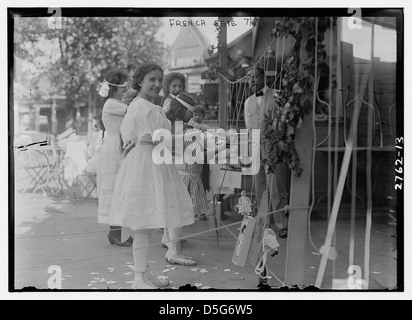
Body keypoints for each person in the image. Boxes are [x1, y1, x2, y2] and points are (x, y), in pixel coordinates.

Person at [109, 63, 197, 289]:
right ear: (140, 82)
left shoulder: (152, 106)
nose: (157, 84)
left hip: (156, 162)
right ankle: (138, 278)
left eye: (160, 80)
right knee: (142, 224)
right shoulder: (140, 107)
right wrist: (188, 139)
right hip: (145, 166)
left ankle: (146, 273)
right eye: (152, 80)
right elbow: (151, 138)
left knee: (147, 226)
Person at [162, 93, 210, 261]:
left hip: (176, 171)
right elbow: (200, 156)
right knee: (179, 212)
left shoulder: (173, 126)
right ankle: (174, 251)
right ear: (183, 110)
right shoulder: (186, 131)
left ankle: (170, 242)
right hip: (185, 175)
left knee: (175, 210)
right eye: (191, 112)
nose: (193, 116)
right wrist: (222, 148)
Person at [244, 66, 290, 239]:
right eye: (249, 79)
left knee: (276, 185)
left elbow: (282, 123)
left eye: (255, 77)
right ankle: (265, 222)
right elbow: (249, 127)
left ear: (264, 77)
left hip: (272, 145)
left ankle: (282, 224)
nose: (252, 81)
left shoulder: (277, 95)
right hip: (256, 147)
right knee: (259, 186)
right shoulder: (248, 101)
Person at [96, 69, 132, 247]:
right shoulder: (111, 103)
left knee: (122, 189)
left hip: (119, 145)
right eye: (123, 87)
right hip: (114, 147)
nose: (125, 90)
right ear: (113, 89)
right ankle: (116, 233)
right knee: (116, 190)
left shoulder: (116, 102)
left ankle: (120, 232)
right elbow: (132, 110)